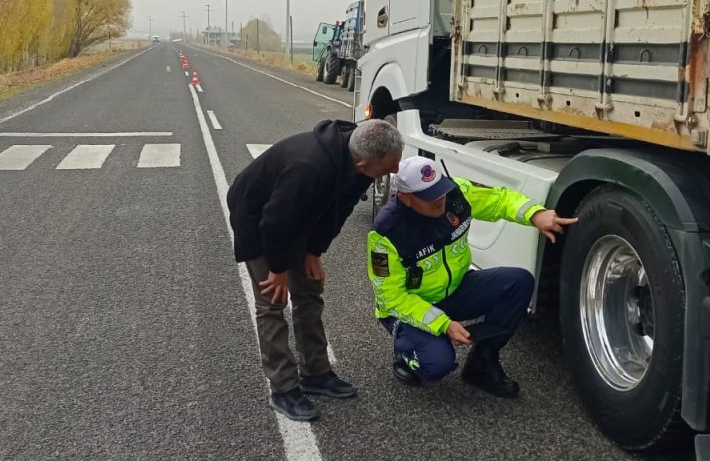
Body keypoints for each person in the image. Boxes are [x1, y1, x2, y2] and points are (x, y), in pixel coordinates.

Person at [229, 118, 403, 421]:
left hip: (296, 217)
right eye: (390, 167)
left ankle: (315, 373)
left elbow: (338, 210)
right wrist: (278, 269)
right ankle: (283, 388)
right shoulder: (308, 168)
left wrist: (313, 252)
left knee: (309, 292)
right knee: (272, 302)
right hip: (258, 219)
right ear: (363, 162)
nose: (395, 171)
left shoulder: (360, 160)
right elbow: (275, 221)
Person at [366, 156, 577, 397]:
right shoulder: (385, 234)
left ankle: (482, 362)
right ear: (406, 198)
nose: (439, 201)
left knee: (518, 282)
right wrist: (443, 324)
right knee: (437, 364)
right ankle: (406, 354)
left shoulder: (455, 194)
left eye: (440, 191)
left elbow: (500, 199)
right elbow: (391, 299)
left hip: (454, 289)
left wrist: (534, 214)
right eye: (429, 197)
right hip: (412, 306)